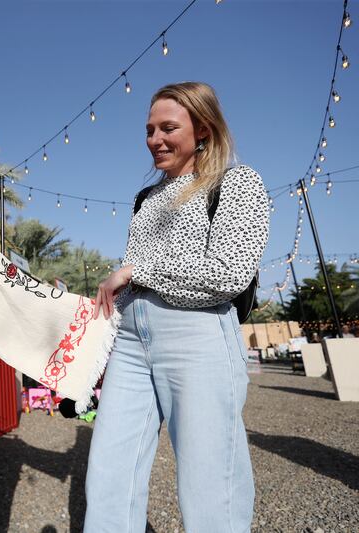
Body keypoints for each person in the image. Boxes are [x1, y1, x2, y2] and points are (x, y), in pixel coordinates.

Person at [84, 82, 270, 533]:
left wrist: (134, 272)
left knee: (210, 481)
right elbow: (137, 274)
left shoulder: (236, 182)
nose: (155, 139)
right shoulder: (145, 199)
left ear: (202, 129)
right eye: (149, 129)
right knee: (108, 473)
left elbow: (228, 274)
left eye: (168, 127)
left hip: (197, 334)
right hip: (131, 341)